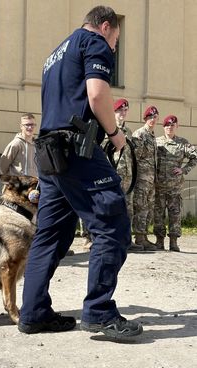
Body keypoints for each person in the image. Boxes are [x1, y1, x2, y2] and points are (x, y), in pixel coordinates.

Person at [18, 5, 143, 339]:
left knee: (51, 234)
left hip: (50, 154)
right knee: (111, 224)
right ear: (105, 26)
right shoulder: (93, 43)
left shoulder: (54, 55)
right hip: (77, 151)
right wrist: (116, 135)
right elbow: (97, 93)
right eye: (116, 38)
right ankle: (99, 313)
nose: (114, 46)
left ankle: (33, 313)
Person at [154, 115, 197, 251]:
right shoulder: (157, 142)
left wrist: (183, 170)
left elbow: (194, 158)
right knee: (158, 213)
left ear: (177, 126)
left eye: (172, 125)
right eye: (167, 125)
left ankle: (173, 242)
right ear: (163, 127)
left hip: (175, 187)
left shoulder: (182, 143)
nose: (169, 127)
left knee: (175, 214)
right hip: (159, 185)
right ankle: (159, 241)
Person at [113, 98, 142, 251]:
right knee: (112, 207)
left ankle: (126, 239)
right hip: (113, 173)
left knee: (128, 208)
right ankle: (110, 239)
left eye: (125, 110)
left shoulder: (128, 131)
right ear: (114, 112)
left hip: (128, 175)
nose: (122, 113)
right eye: (119, 110)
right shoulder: (108, 128)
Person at [132, 106, 159, 251]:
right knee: (140, 207)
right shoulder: (140, 134)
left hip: (150, 179)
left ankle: (144, 236)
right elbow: (135, 157)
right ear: (145, 119)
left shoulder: (152, 135)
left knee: (148, 208)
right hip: (142, 178)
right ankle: (139, 237)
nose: (152, 120)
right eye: (150, 117)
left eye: (155, 117)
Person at [0, 113, 38, 177]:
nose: (30, 127)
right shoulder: (16, 144)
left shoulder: (37, 145)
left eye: (32, 125)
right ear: (21, 126)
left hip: (33, 185)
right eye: (27, 125)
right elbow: (3, 167)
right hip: (18, 185)